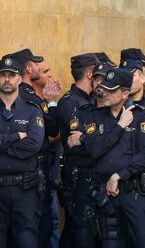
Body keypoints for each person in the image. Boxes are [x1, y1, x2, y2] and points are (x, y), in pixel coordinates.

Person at [67, 68, 145, 248]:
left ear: (125, 93)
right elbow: (94, 149)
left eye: (111, 90)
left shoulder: (141, 116)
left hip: (133, 191)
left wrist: (119, 176)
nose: (104, 93)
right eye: (104, 88)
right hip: (106, 193)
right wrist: (120, 125)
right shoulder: (95, 116)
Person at [10, 48, 60, 247]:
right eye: (41, 68)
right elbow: (50, 133)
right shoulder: (29, 99)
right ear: (29, 68)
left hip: (33, 174)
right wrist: (53, 104)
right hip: (33, 173)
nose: (44, 71)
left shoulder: (32, 98)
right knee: (39, 228)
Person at [56, 53, 100, 247]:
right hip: (78, 177)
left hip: (96, 175)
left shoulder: (97, 99)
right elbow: (81, 140)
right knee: (79, 230)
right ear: (90, 74)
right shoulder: (69, 102)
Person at [0, 56, 44, 248]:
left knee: (26, 241)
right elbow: (25, 142)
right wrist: (16, 136)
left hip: (25, 191)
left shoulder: (32, 110)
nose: (7, 79)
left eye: (12, 75)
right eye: (3, 75)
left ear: (20, 78)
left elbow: (34, 144)